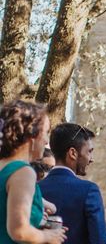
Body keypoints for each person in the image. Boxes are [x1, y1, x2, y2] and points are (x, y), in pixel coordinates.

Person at [0, 100, 66, 244]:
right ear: (32, 135)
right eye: (46, 132)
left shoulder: (4, 167)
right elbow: (19, 231)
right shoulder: (23, 172)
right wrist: (50, 236)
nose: (46, 141)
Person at [39, 124, 106, 244]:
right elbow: (100, 240)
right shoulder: (88, 191)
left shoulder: (35, 189)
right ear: (73, 153)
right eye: (89, 151)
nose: (91, 158)